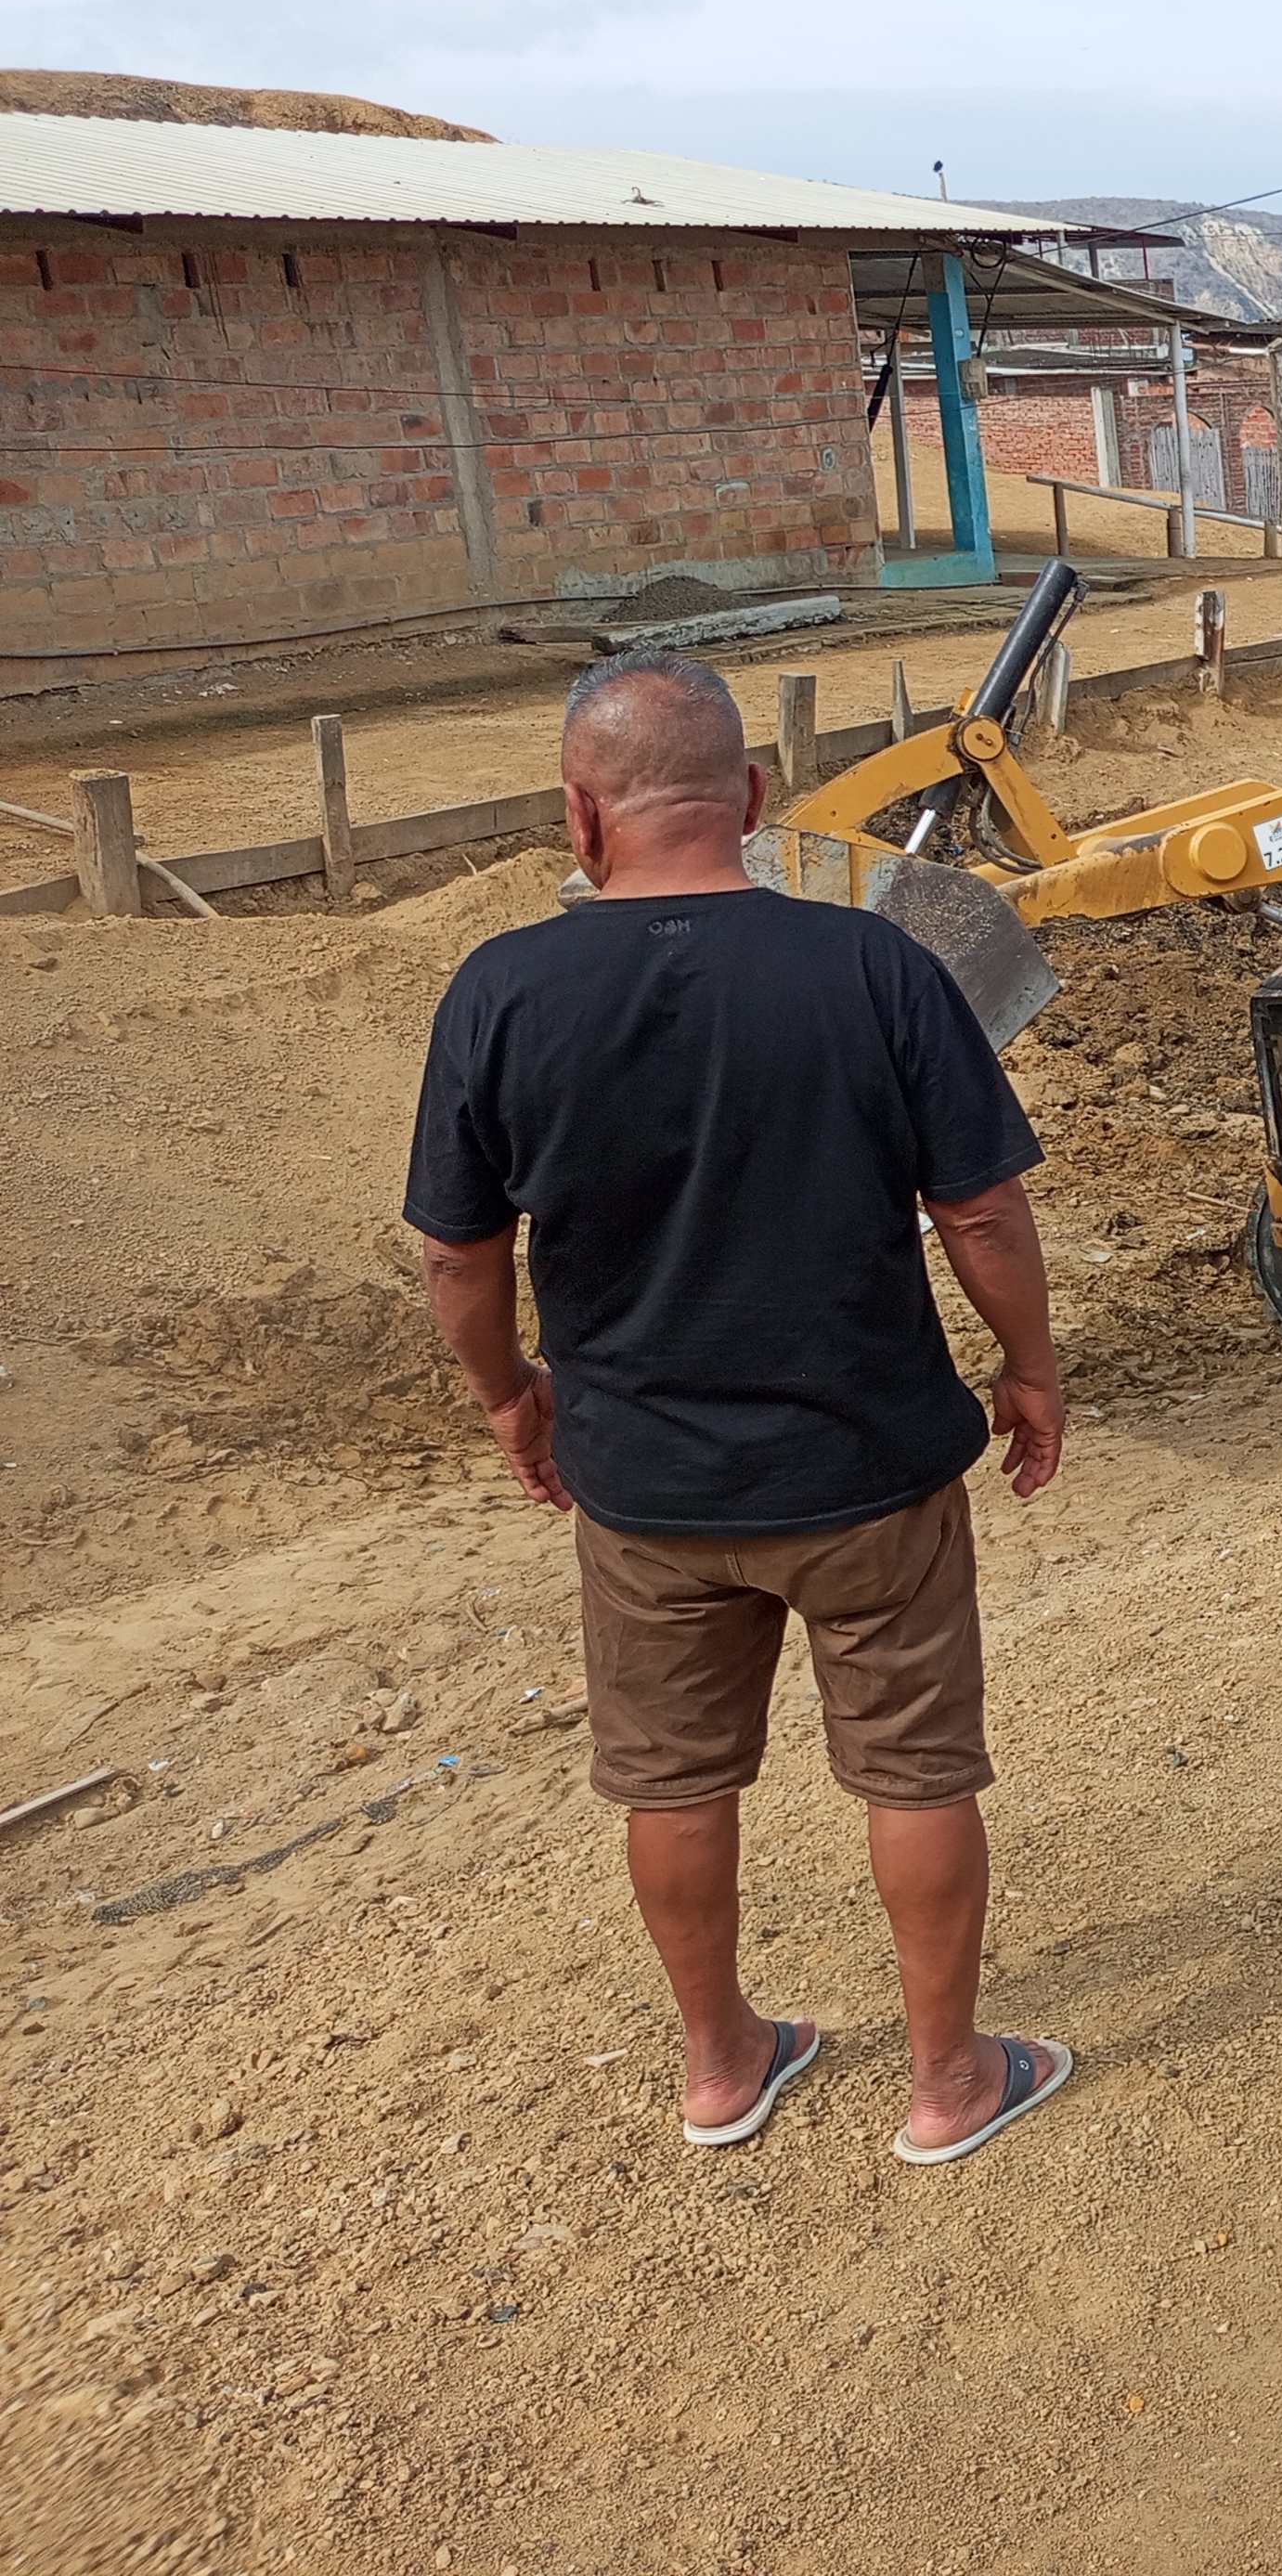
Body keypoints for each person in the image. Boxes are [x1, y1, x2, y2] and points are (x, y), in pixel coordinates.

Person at [406, 651, 1076, 2168]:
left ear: (580, 813)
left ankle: (721, 2066)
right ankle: (948, 2083)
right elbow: (981, 1212)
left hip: (644, 1486)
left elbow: (458, 1255)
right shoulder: (877, 968)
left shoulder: (500, 991)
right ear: (755, 799)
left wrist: (511, 1396)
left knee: (674, 1780)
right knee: (915, 1769)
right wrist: (1030, 1366)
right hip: (872, 1471)